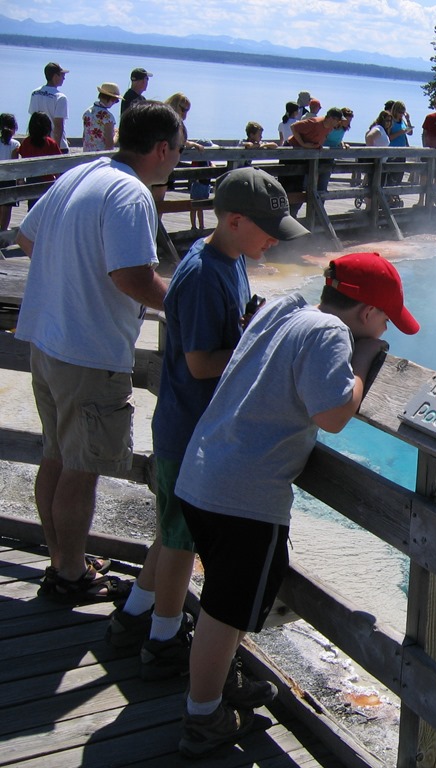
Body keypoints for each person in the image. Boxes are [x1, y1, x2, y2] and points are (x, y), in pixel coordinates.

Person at [174, 251, 419, 757]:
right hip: (245, 496)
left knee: (229, 596)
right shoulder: (331, 334)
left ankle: (218, 685)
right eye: (386, 320)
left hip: (205, 471)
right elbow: (333, 415)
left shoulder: (284, 309)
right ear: (368, 313)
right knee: (224, 608)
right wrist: (364, 359)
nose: (384, 329)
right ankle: (203, 717)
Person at [106, 167, 309, 682]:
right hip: (188, 430)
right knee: (181, 541)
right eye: (268, 230)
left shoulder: (229, 257)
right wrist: (262, 345)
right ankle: (163, 641)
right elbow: (200, 363)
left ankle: (133, 618)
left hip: (193, 426)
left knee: (173, 528)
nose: (273, 240)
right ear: (234, 221)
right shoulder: (202, 274)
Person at [14, 101, 184, 603]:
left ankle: (61, 562)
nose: (180, 157)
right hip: (88, 351)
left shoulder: (81, 173)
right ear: (161, 149)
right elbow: (132, 277)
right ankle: (71, 575)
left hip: (48, 339)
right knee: (81, 469)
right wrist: (187, 304)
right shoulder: (131, 193)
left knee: (57, 457)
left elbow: (26, 238)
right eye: (180, 149)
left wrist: (72, 276)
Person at [18, 112, 62, 208]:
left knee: (32, 207)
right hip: (48, 182)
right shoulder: (51, 143)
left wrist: (21, 179)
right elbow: (58, 164)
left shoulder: (26, 142)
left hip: (31, 181)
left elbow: (22, 162)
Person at [28, 62, 69, 153]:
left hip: (38, 143)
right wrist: (56, 149)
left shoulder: (35, 93)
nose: (64, 78)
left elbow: (33, 119)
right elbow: (58, 126)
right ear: (55, 76)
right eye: (62, 75)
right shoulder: (60, 97)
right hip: (55, 144)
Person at [82, 83, 121, 152]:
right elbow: (109, 145)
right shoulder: (108, 117)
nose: (115, 103)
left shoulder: (87, 112)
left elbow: (85, 136)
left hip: (86, 154)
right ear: (110, 98)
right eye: (115, 100)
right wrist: (117, 135)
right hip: (100, 155)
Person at [0, 113, 20, 232]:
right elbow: (14, 164)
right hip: (9, 178)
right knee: (7, 208)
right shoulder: (15, 144)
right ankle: (3, 232)